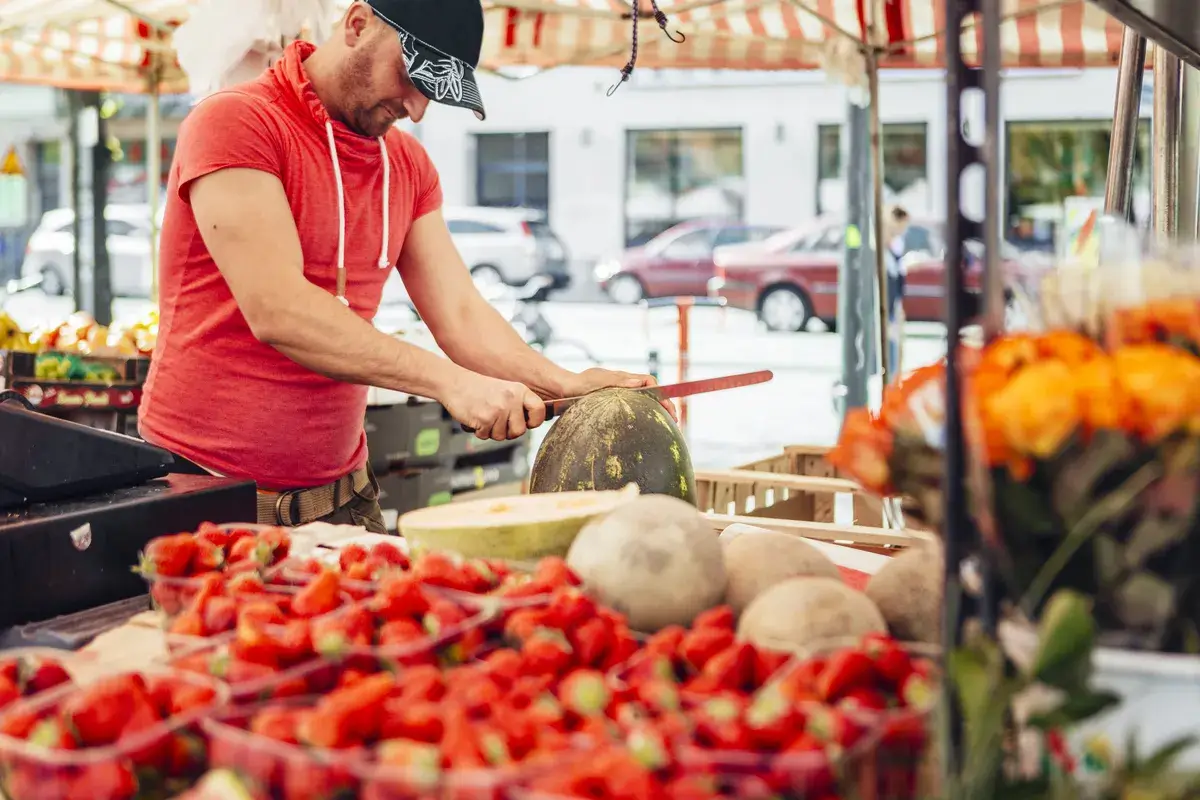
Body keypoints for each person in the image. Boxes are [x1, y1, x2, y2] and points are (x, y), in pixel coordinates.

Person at [139, 0, 663, 532]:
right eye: (412, 75)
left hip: (344, 497)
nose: (417, 109)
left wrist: (562, 382)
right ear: (357, 24)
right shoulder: (236, 121)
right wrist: (451, 384)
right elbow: (279, 310)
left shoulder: (407, 165)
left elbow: (460, 313)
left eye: (435, 91)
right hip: (206, 493)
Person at [883, 205, 910, 377]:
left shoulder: (894, 248)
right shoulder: (882, 252)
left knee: (896, 351)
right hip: (888, 311)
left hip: (894, 308)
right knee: (891, 354)